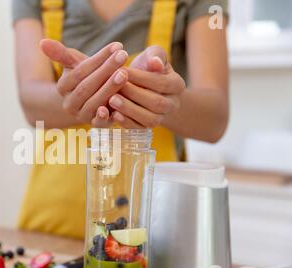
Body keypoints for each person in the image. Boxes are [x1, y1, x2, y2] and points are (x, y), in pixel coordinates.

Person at [12, 0, 229, 239]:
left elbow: (214, 119)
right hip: (50, 232)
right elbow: (31, 103)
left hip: (151, 238)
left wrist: (162, 100)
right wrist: (102, 92)